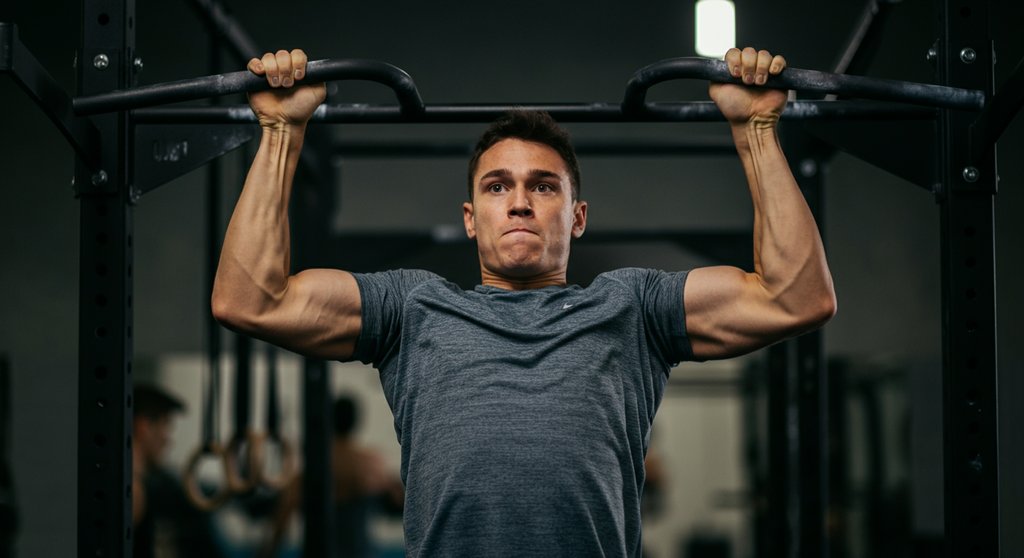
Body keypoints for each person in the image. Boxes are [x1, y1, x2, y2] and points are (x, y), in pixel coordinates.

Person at [212, 46, 836, 556]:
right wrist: (279, 132)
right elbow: (251, 301)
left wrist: (756, 130)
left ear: (578, 216)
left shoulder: (635, 308)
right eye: (496, 186)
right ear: (471, 219)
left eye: (543, 186)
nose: (518, 202)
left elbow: (795, 298)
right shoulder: (411, 308)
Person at [133, 383, 223, 558]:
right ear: (143, 426)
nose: (169, 440)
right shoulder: (135, 492)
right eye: (165, 425)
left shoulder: (158, 482)